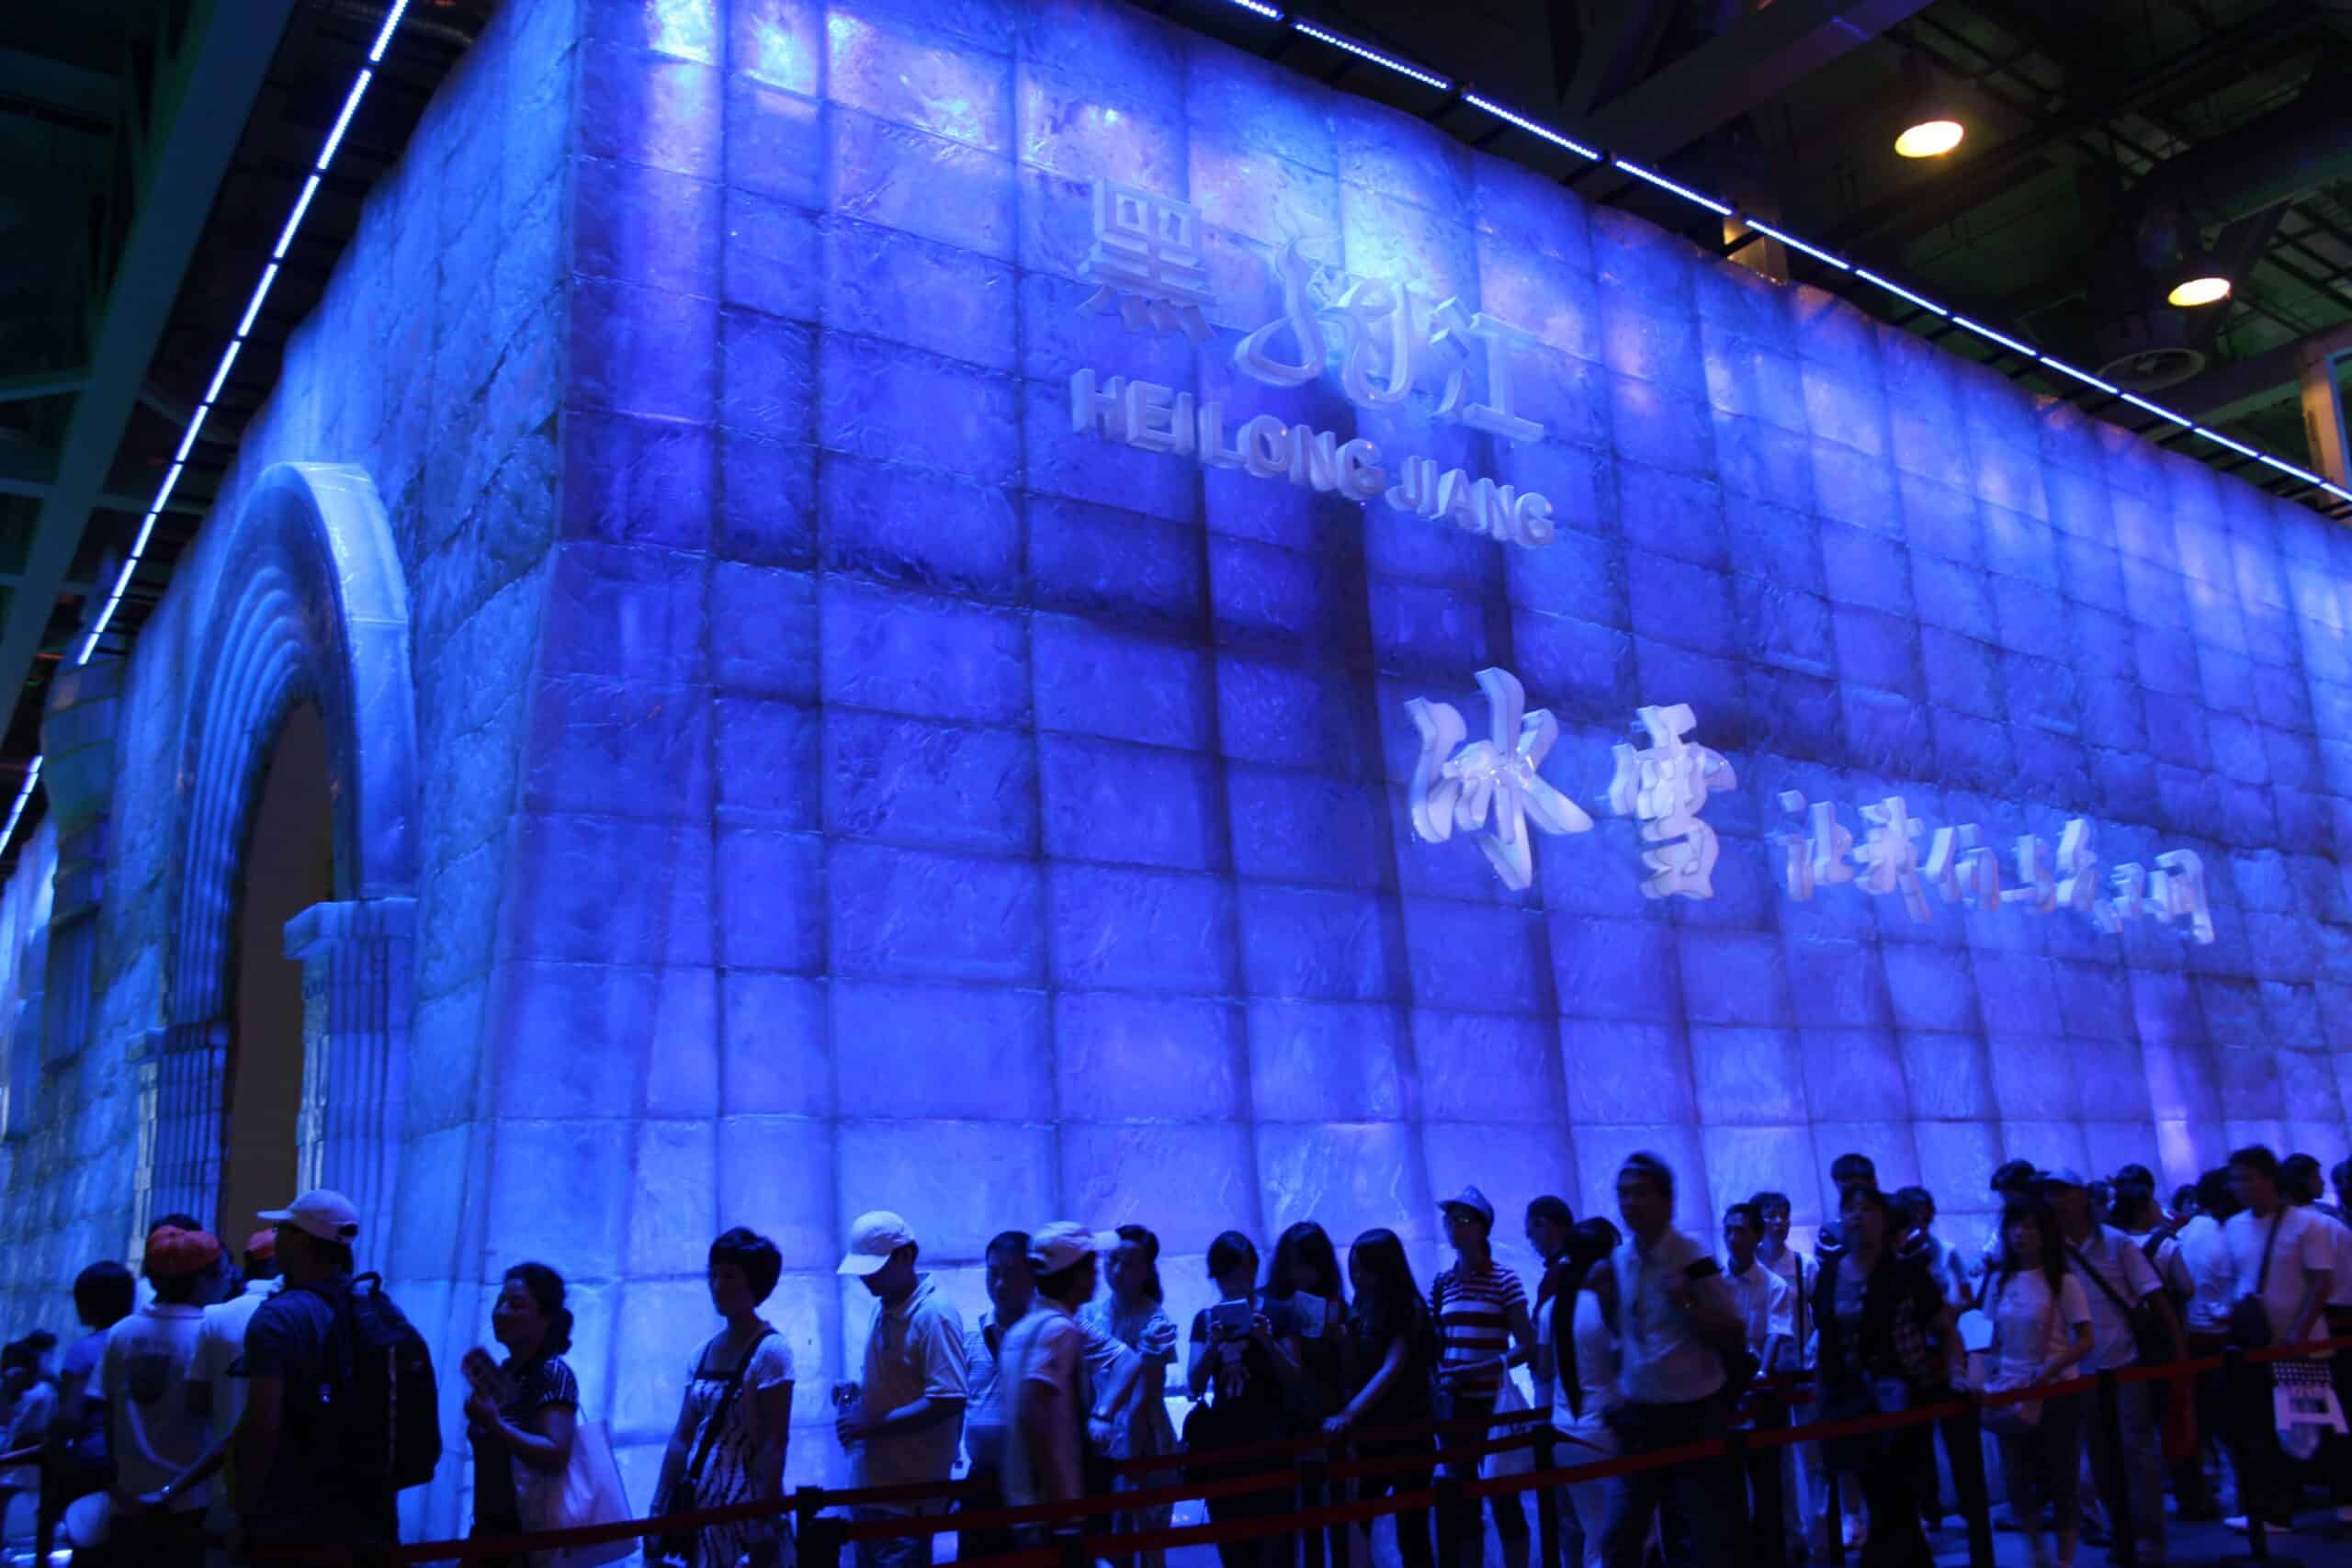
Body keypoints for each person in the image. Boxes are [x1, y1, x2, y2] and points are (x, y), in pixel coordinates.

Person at [233, 1190, 408, 1554]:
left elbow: (264, 1424)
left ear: (301, 1241)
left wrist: (245, 1505)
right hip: (368, 1507)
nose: (276, 1238)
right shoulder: (378, 1306)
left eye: (283, 1229)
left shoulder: (279, 1317)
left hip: (294, 1516)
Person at [1598, 1152, 1747, 1568]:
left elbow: (1734, 1334)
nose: (1629, 1203)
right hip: (1640, 1414)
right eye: (1623, 1194)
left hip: (1693, 1414)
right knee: (1619, 1535)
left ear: (1667, 1201)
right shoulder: (1619, 1260)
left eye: (1640, 1193)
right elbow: (1628, 1334)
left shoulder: (1692, 1257)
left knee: (1699, 1537)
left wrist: (1686, 1302)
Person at [1810, 1189, 1961, 1568]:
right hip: (1847, 1400)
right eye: (1850, 1208)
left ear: (1883, 1218)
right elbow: (1826, 1336)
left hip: (1899, 1398)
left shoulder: (1906, 1272)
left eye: (1867, 1208)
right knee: (1883, 1499)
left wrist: (1956, 1372)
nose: (1858, 1215)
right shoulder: (1829, 1275)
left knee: (1894, 1497)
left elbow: (1943, 1327)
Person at [2044, 1168, 2181, 1564]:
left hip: (2123, 1365)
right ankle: (2121, 1532)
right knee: (2101, 1458)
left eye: (2065, 1193)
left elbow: (2157, 1300)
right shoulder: (2051, 1251)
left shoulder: (2117, 1244)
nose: (2058, 1201)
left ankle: (2149, 1537)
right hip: (2078, 1372)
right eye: (2052, 1194)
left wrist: (2178, 1357)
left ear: (2083, 1196)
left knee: (2136, 1452)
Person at [650, 1226, 794, 1568]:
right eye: (713, 1275)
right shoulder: (702, 1353)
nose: (717, 1286)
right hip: (697, 1502)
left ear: (754, 1284)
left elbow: (774, 1443)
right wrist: (658, 1507)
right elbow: (682, 1436)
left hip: (743, 1502)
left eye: (729, 1277)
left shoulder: (771, 1350)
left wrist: (761, 1516)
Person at [837, 1211, 968, 1568]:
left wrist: (873, 1426)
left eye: (873, 1266)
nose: (865, 1277)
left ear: (905, 1256)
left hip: (907, 1499)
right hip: (876, 1491)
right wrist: (859, 1392)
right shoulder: (884, 1310)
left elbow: (949, 1399)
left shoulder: (934, 1314)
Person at [93, 1224, 225, 1567]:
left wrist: (114, 1481)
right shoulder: (209, 1333)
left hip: (127, 1493)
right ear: (203, 1279)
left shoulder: (121, 1332)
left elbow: (107, 1411)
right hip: (190, 1497)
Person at [2222, 1145, 2336, 1536]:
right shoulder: (2234, 1226)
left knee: (2314, 1426)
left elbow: (2322, 1280)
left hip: (2301, 1345)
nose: (2239, 1186)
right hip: (2257, 1344)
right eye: (2235, 1179)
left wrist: (2298, 1335)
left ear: (2269, 1179)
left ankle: (2339, 1497)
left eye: (2247, 1178)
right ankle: (2276, 1509)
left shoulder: (2308, 1224)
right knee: (2264, 1427)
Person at [1983, 1198, 2094, 1568]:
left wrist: (2050, 1367)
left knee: (2061, 1480)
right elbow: (1987, 1335)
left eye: (2029, 1226)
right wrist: (1980, 1375)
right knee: (2016, 1481)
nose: (2020, 1234)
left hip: (2056, 1390)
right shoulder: (2001, 1281)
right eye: (2015, 1226)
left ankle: (2062, 1560)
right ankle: (2037, 1553)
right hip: (2011, 1387)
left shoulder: (2063, 1282)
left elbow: (2085, 1339)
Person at [1430, 1187, 1535, 1568]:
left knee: (1504, 1496)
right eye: (1449, 1220)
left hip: (1492, 1406)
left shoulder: (1504, 1280)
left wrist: (1476, 1369)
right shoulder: (1443, 1283)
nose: (1453, 1228)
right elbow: (1436, 1342)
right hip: (1454, 1407)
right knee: (1463, 1504)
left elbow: (1526, 1345)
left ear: (1481, 1229)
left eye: (1462, 1220)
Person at [1186, 1230, 1299, 1568]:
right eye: (1230, 1278)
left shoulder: (1276, 1314)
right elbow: (1194, 1383)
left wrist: (1266, 1340)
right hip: (1224, 1449)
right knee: (1234, 1548)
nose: (1240, 1285)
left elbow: (1295, 1376)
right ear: (1217, 1278)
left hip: (1271, 1442)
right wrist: (1212, 1346)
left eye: (1246, 1274)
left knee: (1277, 1548)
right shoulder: (1206, 1320)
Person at [1327, 1227, 1439, 1568]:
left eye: (1362, 1269)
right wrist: (1341, 1338)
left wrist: (1349, 1413)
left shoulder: (1409, 1307)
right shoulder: (1362, 1304)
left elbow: (1393, 1366)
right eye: (1352, 1267)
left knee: (1412, 1532)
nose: (1354, 1276)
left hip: (1408, 1432)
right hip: (1372, 1435)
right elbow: (1356, 1366)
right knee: (1358, 1524)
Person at [1001, 1224, 1119, 1545]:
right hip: (1052, 1513)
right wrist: (1062, 1509)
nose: (1096, 1275)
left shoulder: (1019, 1330)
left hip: (1022, 1504)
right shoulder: (1060, 1331)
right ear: (1076, 1274)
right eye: (1090, 1266)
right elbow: (1035, 1410)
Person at [466, 1263, 581, 1568]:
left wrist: (494, 1424)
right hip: (489, 1529)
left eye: (516, 1305)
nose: (501, 1312)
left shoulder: (552, 1373)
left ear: (545, 1317)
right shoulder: (504, 1372)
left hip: (528, 1535)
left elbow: (556, 1452)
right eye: (499, 1302)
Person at [1080, 1224, 1180, 1568]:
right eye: (1113, 1260)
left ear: (1147, 1269)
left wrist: (1129, 1457)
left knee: (1150, 1546)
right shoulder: (1088, 1314)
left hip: (1145, 1440)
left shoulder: (1156, 1321)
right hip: (1103, 1439)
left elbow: (1145, 1397)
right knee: (1113, 1546)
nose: (1118, 1271)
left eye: (1131, 1264)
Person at [1532, 1220, 1617, 1568]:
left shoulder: (1553, 1308)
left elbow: (1543, 1370)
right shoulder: (1610, 1308)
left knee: (1593, 1534)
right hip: (1609, 1433)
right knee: (1624, 1538)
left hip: (1566, 1432)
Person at [2160, 1168, 2239, 1523]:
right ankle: (2240, 1496)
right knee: (2233, 1424)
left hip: (2188, 1337)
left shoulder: (2183, 1233)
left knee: (2200, 1424)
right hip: (2222, 1337)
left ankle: (2203, 1494)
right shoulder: (2226, 1235)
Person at [1752, 1190, 1821, 1557]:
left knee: (1813, 1454)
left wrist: (1811, 1351)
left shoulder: (1804, 1265)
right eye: (1771, 1215)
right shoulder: (1748, 1269)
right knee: (1777, 1459)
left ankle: (1820, 1532)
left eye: (1783, 1215)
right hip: (1767, 1374)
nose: (1779, 1222)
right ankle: (1791, 1534)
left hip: (1801, 1369)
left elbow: (1820, 1314)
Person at [963, 1231, 1037, 1560]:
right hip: (981, 1481)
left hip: (1036, 1482)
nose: (1001, 1285)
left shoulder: (1050, 1332)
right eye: (994, 1273)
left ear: (1033, 1276)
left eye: (1012, 1275)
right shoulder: (971, 1337)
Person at [1527, 1196, 1576, 1316]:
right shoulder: (1589, 1260)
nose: (1531, 1242)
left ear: (1543, 1224)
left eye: (1530, 1234)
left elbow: (1540, 1330)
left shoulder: (1556, 1275)